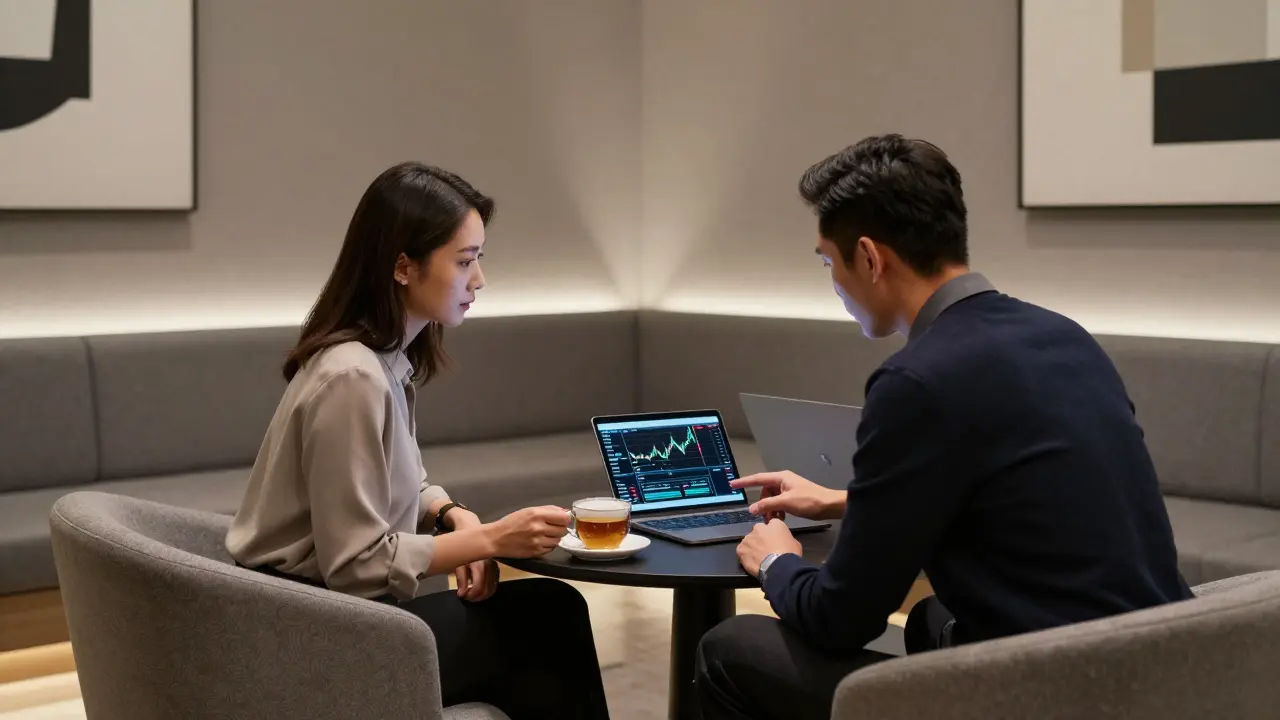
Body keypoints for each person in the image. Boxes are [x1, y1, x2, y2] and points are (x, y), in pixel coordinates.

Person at [695, 134, 1193, 719]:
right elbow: (1021, 499)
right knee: (933, 620)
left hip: (1055, 692)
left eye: (829, 263)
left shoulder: (917, 382)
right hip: (1164, 667)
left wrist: (777, 560)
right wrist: (850, 502)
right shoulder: (1064, 336)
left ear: (870, 258)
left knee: (729, 649)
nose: (833, 282)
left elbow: (842, 619)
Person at [226, 161, 610, 720]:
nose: (479, 280)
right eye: (465, 261)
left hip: (332, 616)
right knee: (551, 620)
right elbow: (355, 565)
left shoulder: (382, 362)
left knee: (543, 624)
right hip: (309, 634)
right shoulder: (352, 377)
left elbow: (405, 481)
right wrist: (492, 541)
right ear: (403, 266)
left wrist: (453, 514)